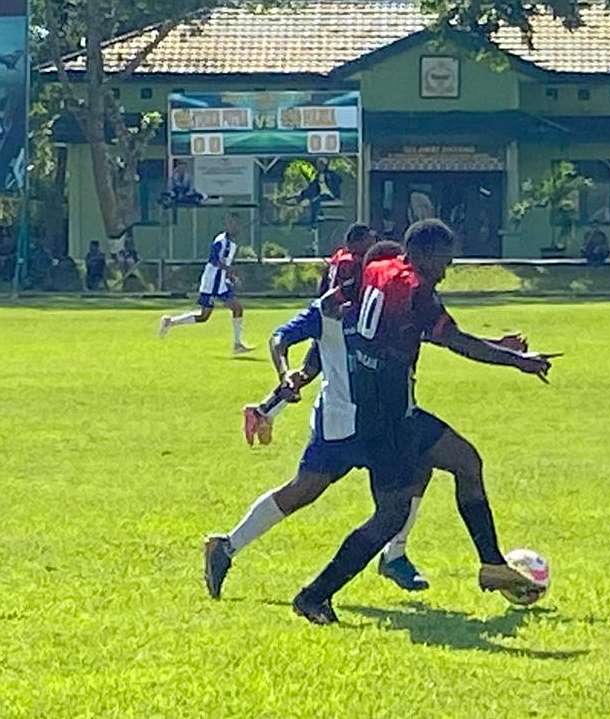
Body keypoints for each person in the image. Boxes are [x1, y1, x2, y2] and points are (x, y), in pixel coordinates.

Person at [291, 219, 557, 625]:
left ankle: (491, 563)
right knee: (390, 516)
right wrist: (516, 361)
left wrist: (497, 346)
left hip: (381, 411)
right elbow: (455, 341)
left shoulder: (380, 268)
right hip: (389, 422)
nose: (446, 271)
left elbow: (409, 325)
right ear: (423, 255)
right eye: (444, 262)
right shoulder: (416, 289)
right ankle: (313, 596)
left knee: (466, 462)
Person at [204, 242, 434, 598]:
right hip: (340, 424)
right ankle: (226, 547)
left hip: (379, 423)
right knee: (303, 491)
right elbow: (283, 341)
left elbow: (434, 332)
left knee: (417, 468)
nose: (340, 294)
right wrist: (277, 390)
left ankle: (395, 554)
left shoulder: (384, 305)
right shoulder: (325, 311)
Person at [240, 223, 378, 447]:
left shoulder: (339, 258)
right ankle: (264, 413)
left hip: (325, 321)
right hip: (339, 323)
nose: (374, 244)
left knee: (306, 373)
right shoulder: (354, 262)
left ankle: (263, 412)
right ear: (357, 241)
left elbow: (323, 288)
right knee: (336, 374)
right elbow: (349, 293)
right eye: (370, 239)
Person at [157, 214, 252, 354]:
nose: (235, 226)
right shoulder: (221, 241)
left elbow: (225, 262)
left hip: (221, 282)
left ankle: (237, 344)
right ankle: (170, 322)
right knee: (205, 316)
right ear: (227, 225)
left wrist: (229, 275)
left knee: (236, 309)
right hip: (213, 281)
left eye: (237, 224)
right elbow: (213, 259)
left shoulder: (232, 244)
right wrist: (228, 270)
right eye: (232, 223)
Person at [298, 158, 342, 227]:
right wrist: (302, 194)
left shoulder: (331, 175)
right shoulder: (316, 176)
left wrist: (335, 193)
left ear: (325, 165)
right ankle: (316, 215)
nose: (320, 167)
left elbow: (338, 180)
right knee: (313, 199)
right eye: (319, 165)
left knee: (315, 201)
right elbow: (312, 188)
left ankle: (313, 222)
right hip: (320, 195)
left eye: (322, 165)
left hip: (329, 195)